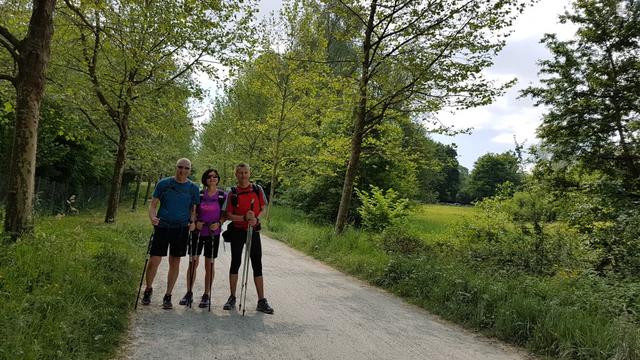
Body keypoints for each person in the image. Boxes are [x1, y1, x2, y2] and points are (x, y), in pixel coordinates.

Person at [142, 158, 200, 309]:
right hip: (163, 226)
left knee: (175, 262)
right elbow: (153, 204)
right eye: (180, 167)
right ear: (176, 168)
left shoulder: (193, 188)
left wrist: (193, 221)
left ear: (189, 170)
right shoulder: (164, 183)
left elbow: (193, 209)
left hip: (181, 229)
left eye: (186, 168)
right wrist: (152, 217)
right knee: (154, 260)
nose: (183, 170)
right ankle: (148, 289)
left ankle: (168, 295)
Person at [221, 163, 274, 314]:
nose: (243, 175)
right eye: (240, 173)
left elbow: (264, 208)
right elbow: (228, 215)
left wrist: (256, 219)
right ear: (236, 174)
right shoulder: (232, 192)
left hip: (254, 230)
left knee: (257, 264)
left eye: (245, 172)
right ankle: (232, 297)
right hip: (238, 231)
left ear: (249, 173)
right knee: (235, 262)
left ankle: (261, 301)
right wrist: (243, 217)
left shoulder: (257, 189)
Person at [179, 168, 227, 308]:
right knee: (193, 262)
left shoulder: (223, 196)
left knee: (209, 264)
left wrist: (219, 223)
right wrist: (194, 222)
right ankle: (189, 292)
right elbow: (192, 211)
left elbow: (225, 214)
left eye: (215, 176)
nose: (212, 178)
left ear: (218, 179)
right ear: (205, 179)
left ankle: (206, 294)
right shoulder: (199, 194)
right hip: (198, 232)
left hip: (213, 233)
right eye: (209, 176)